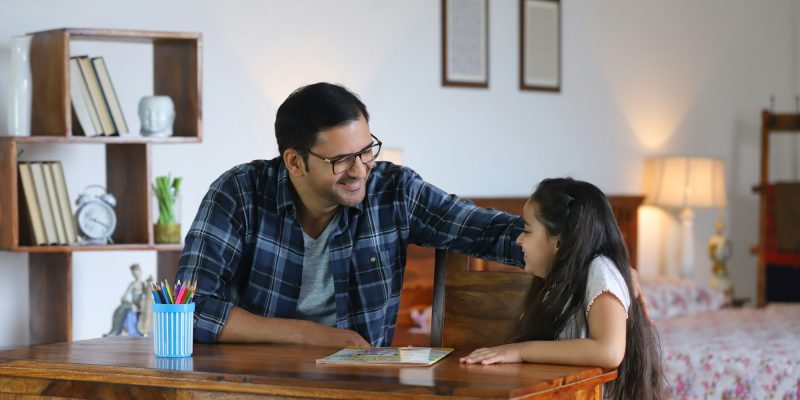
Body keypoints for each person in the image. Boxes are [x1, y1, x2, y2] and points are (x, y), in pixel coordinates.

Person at [176, 82, 648, 348]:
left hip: (361, 387)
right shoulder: (237, 193)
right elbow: (191, 309)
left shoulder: (394, 190)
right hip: (250, 384)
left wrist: (593, 257)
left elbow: (487, 230)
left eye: (367, 151)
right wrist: (316, 335)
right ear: (294, 162)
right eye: (342, 160)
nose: (361, 170)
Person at [460, 178, 665, 400]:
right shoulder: (556, 280)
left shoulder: (600, 270)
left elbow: (609, 351)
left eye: (527, 231)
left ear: (558, 243)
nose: (518, 240)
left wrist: (520, 351)